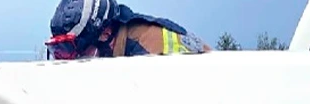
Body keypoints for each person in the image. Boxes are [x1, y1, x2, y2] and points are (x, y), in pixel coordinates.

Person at [45, 0, 211, 60]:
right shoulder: (118, 54)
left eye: (71, 50)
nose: (69, 60)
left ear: (105, 34)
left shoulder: (149, 50)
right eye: (58, 50)